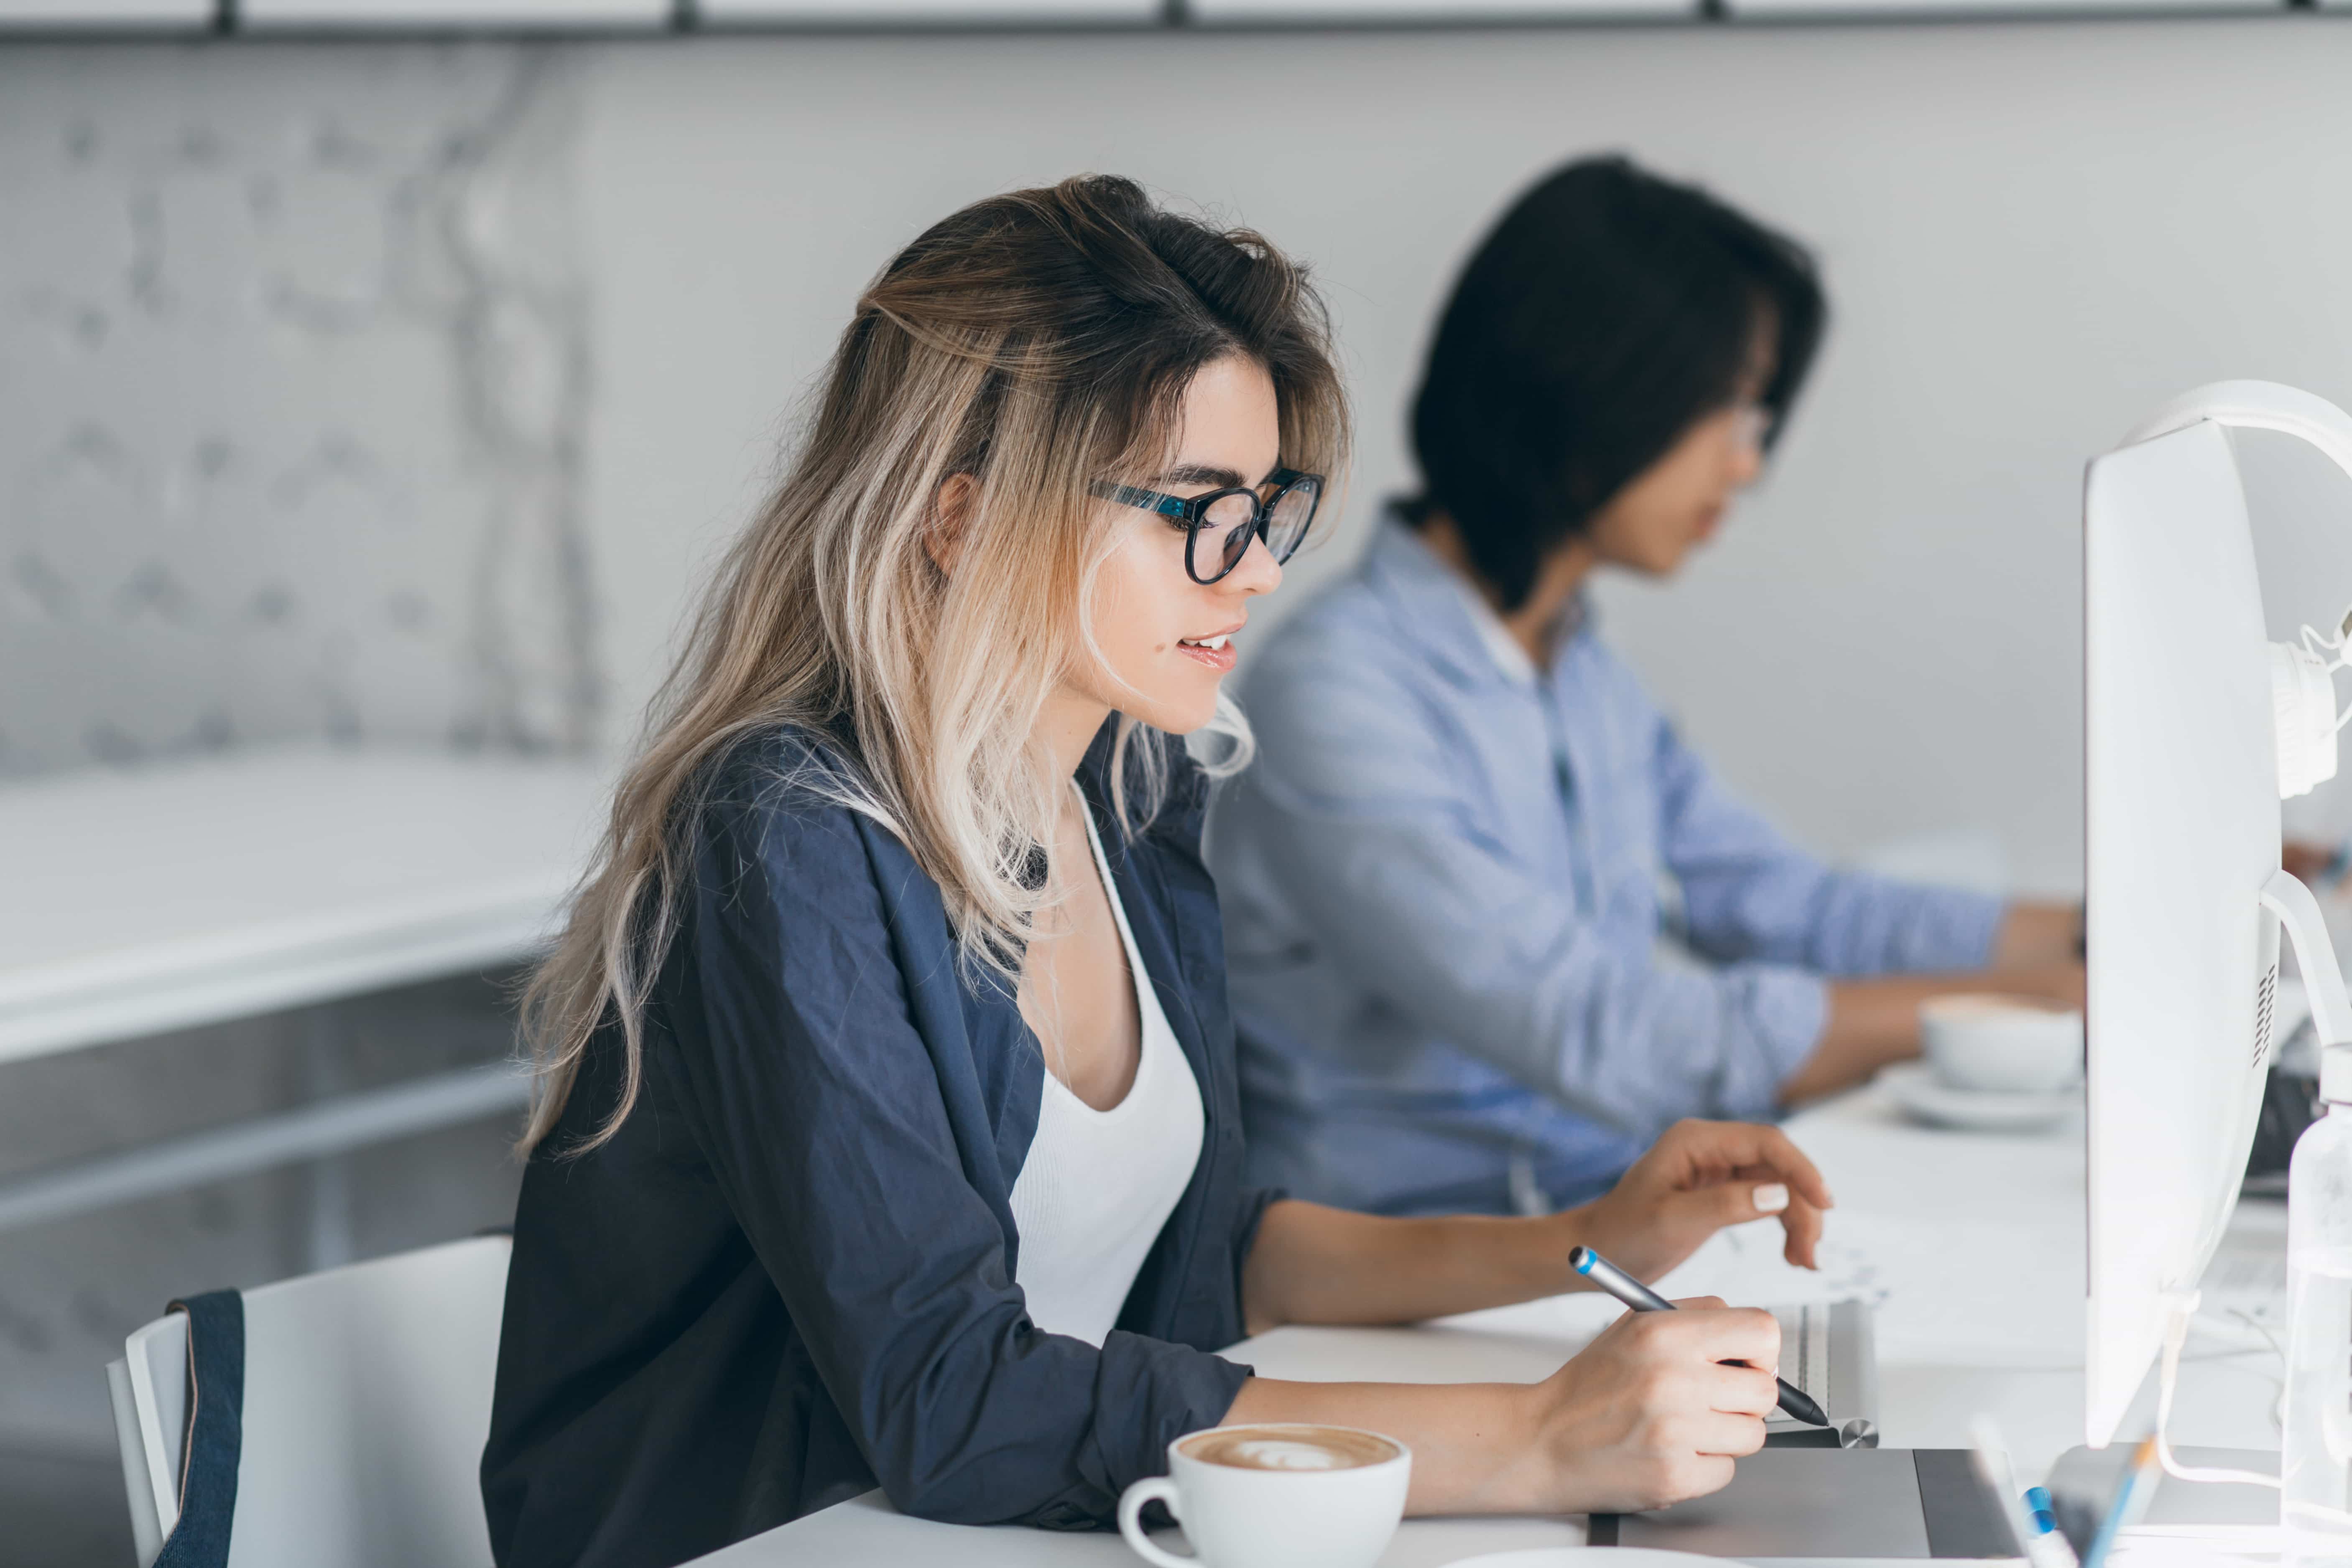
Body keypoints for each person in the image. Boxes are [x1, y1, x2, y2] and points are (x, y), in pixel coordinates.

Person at [479, 175, 1839, 1568]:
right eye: (1195, 509)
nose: (1248, 570)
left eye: (1263, 509)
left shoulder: (1130, 797)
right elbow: (951, 1396)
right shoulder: (787, 831)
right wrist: (1537, 1436)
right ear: (960, 520)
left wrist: (1579, 1240)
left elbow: (1202, 1254)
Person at [1207, 156, 2087, 1220]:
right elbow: (1606, 1030)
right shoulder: (1334, 698)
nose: (1744, 466)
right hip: (1424, 1283)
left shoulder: (1579, 670)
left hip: (1607, 1229)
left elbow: (1794, 909)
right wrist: (2044, 1006)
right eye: (1724, 410)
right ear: (1588, 383)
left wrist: (2125, 928)